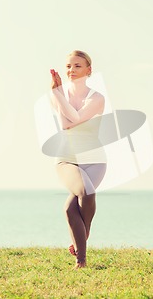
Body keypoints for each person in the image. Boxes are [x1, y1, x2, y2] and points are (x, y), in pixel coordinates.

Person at [49, 50, 106, 268]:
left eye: (77, 66)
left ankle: (81, 249)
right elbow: (65, 125)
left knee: (69, 208)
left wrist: (58, 94)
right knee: (86, 191)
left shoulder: (97, 98)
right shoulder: (57, 95)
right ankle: (82, 256)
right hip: (67, 158)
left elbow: (75, 119)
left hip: (95, 160)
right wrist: (58, 94)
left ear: (89, 70)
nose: (71, 70)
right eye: (68, 66)